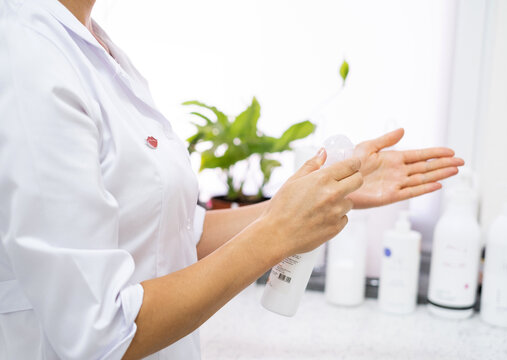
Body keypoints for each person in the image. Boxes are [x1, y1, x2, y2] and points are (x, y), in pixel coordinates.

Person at [0, 0, 464, 359]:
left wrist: (318, 194)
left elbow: (180, 234)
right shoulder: (29, 59)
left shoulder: (88, 44)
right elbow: (98, 332)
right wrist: (278, 232)